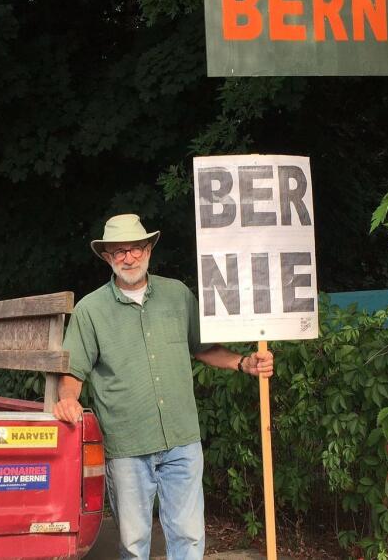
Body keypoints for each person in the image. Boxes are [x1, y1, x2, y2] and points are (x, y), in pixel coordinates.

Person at [55, 213, 274, 560]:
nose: (128, 257)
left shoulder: (178, 295)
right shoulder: (90, 310)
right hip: (126, 444)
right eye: (119, 251)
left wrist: (243, 363)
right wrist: (67, 399)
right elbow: (73, 373)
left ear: (149, 250)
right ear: (107, 257)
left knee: (188, 537)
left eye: (136, 248)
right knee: (133, 542)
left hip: (182, 440)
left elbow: (203, 348)